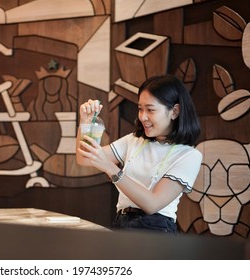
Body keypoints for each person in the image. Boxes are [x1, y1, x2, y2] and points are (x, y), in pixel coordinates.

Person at [76, 74, 202, 234]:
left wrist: (111, 168)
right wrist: (85, 122)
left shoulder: (189, 155)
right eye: (140, 109)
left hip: (157, 232)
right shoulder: (134, 140)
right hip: (121, 224)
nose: (142, 117)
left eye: (150, 110)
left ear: (175, 111)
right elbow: (84, 158)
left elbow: (152, 204)